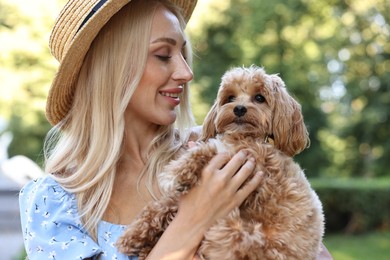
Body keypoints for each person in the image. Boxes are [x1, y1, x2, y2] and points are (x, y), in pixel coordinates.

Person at [19, 0, 333, 259]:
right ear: (111, 68)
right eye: (163, 55)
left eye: (183, 54)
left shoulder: (218, 155)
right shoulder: (52, 202)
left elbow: (306, 247)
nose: (186, 72)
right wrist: (195, 216)